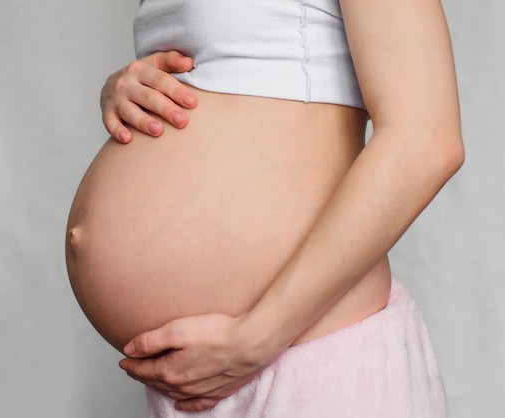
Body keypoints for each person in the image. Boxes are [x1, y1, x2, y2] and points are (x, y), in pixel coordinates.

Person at [66, 0, 464, 416]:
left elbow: (426, 140)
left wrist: (257, 337)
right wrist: (124, 87)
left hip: (308, 359)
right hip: (206, 379)